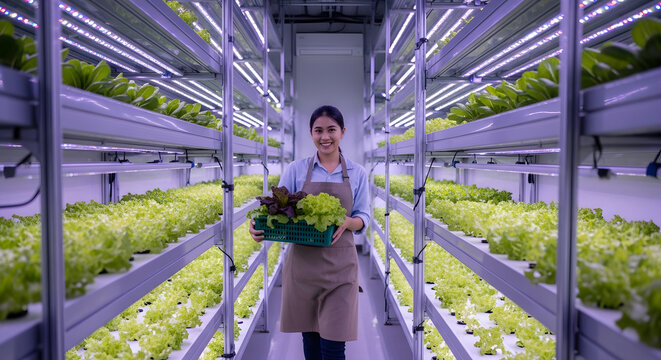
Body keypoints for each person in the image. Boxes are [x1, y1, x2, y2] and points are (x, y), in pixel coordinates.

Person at [249, 105, 370, 360]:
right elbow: (275, 209)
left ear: (343, 132)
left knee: (335, 345)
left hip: (341, 269)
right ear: (311, 134)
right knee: (312, 342)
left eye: (331, 130)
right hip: (304, 267)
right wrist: (258, 225)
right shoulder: (296, 169)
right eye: (318, 130)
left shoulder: (357, 173)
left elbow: (364, 216)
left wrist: (348, 222)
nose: (325, 137)